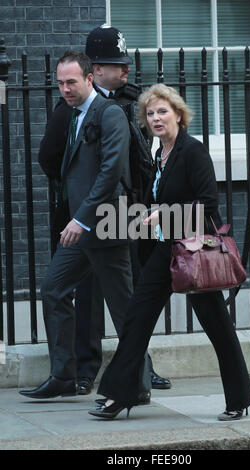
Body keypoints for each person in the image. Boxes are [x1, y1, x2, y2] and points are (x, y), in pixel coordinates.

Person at [88, 84, 250, 421]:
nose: (155, 118)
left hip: (194, 251)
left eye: (162, 111)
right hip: (166, 249)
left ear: (179, 115)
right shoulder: (158, 153)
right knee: (137, 318)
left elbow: (208, 203)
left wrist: (163, 214)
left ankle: (239, 399)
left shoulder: (193, 151)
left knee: (217, 326)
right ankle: (121, 395)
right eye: (150, 114)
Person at [37, 25, 171, 396]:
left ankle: (139, 373)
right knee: (88, 296)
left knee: (127, 296)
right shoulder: (69, 108)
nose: (125, 70)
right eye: (116, 64)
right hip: (88, 214)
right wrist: (78, 200)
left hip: (128, 214)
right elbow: (51, 159)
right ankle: (82, 370)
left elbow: (145, 159)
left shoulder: (130, 102)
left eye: (124, 64)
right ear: (94, 68)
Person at [18, 50, 138, 400]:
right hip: (84, 225)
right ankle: (64, 376)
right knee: (54, 288)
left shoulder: (109, 113)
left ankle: (138, 382)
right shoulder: (73, 115)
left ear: (89, 78)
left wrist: (80, 218)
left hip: (109, 221)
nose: (65, 89)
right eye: (60, 83)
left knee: (124, 308)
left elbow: (112, 171)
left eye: (71, 81)